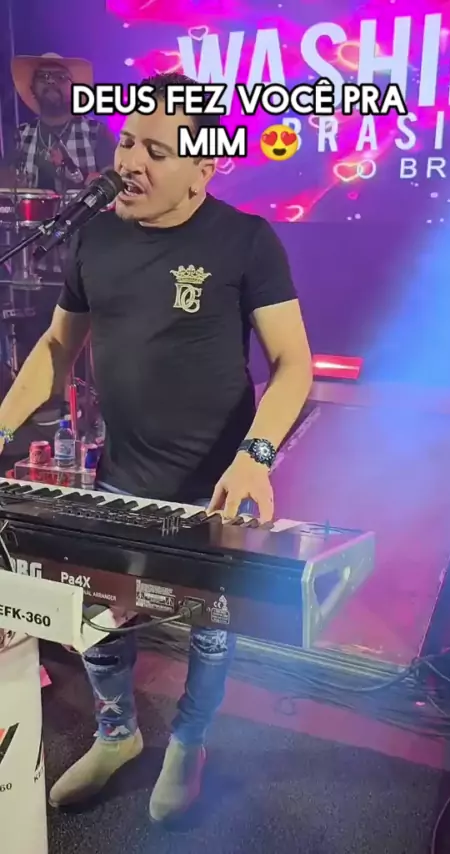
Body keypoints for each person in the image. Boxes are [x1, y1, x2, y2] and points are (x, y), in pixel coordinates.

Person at [0, 71, 312, 822]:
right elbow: (56, 347)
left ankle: (189, 742)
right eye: (126, 143)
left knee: (211, 631)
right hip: (120, 478)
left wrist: (256, 458)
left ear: (205, 165)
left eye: (156, 151)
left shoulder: (245, 240)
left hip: (218, 486)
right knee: (99, 619)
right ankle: (118, 733)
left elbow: (293, 364)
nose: (129, 163)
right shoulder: (95, 235)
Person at [9, 52, 116, 193]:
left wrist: (73, 171)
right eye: (42, 76)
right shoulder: (20, 135)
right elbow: (6, 182)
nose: (51, 81)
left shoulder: (97, 132)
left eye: (60, 77)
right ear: (32, 89)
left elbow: (113, 183)